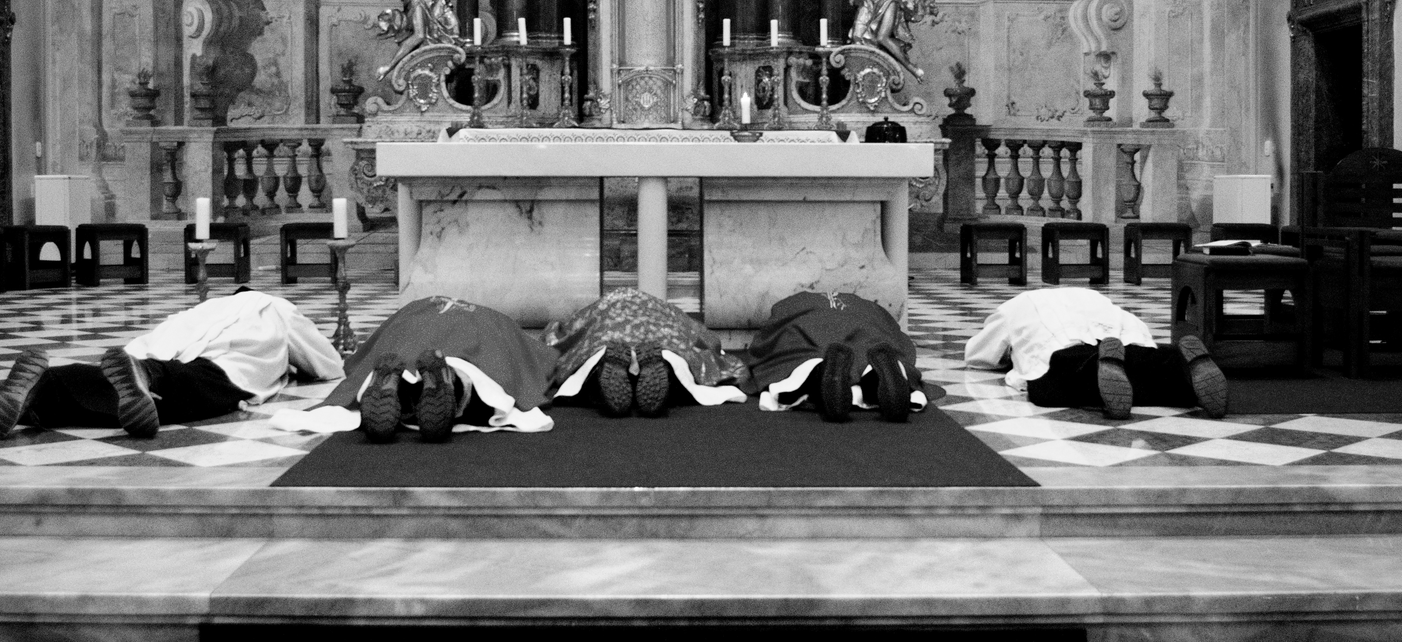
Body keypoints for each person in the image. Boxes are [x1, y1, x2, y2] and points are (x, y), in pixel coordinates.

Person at [0, 289, 344, 439]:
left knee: (104, 383)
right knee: (189, 391)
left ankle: (41, 388)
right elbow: (327, 364)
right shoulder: (275, 305)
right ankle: (145, 378)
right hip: (227, 365)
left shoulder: (210, 306)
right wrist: (292, 366)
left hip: (156, 350)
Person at [291, 295, 560, 443]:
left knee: (404, 361)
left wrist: (357, 366)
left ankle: (393, 385)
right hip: (476, 331)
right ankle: (450, 382)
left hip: (412, 331)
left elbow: (359, 358)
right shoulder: (496, 320)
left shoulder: (415, 308)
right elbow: (540, 362)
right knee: (476, 374)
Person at [963, 287, 1227, 419]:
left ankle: (1100, 367)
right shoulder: (1089, 294)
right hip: (1128, 333)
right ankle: (1181, 366)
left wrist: (1009, 357)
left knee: (1056, 377)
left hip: (1065, 343)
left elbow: (978, 355)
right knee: (1146, 361)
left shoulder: (1014, 306)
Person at [544, 288, 749, 418]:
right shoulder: (667, 310)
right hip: (660, 328)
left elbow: (561, 337)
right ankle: (666, 367)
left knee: (593, 351)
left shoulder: (602, 306)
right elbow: (703, 337)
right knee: (674, 351)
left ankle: (600, 372)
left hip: (609, 324)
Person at [749, 292, 928, 423]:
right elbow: (893, 331)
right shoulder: (866, 306)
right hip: (866, 325)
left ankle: (819, 371)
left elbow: (766, 338)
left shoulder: (792, 304)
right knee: (871, 346)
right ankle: (874, 376)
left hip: (807, 323)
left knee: (802, 355)